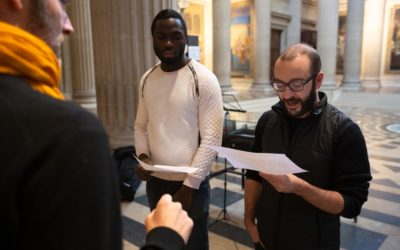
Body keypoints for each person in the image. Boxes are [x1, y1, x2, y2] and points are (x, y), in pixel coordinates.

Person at [0, 1, 193, 249]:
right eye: (62, 3)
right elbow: (140, 123)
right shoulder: (69, 135)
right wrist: (166, 237)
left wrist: (190, 182)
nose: (69, 26)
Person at [244, 43, 372, 250]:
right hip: (265, 240)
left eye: (297, 84)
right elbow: (253, 175)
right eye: (279, 84)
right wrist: (249, 220)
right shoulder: (267, 122)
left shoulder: (345, 131)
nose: (286, 95)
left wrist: (298, 187)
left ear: (318, 80)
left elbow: (352, 204)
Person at [134, 8, 224, 250]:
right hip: (156, 182)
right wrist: (143, 157)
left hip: (190, 185)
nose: (169, 43)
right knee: (164, 243)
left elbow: (212, 139)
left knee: (194, 245)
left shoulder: (204, 78)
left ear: (186, 37)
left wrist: (189, 186)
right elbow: (140, 127)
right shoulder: (147, 79)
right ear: (152, 38)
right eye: (161, 36)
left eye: (176, 35)